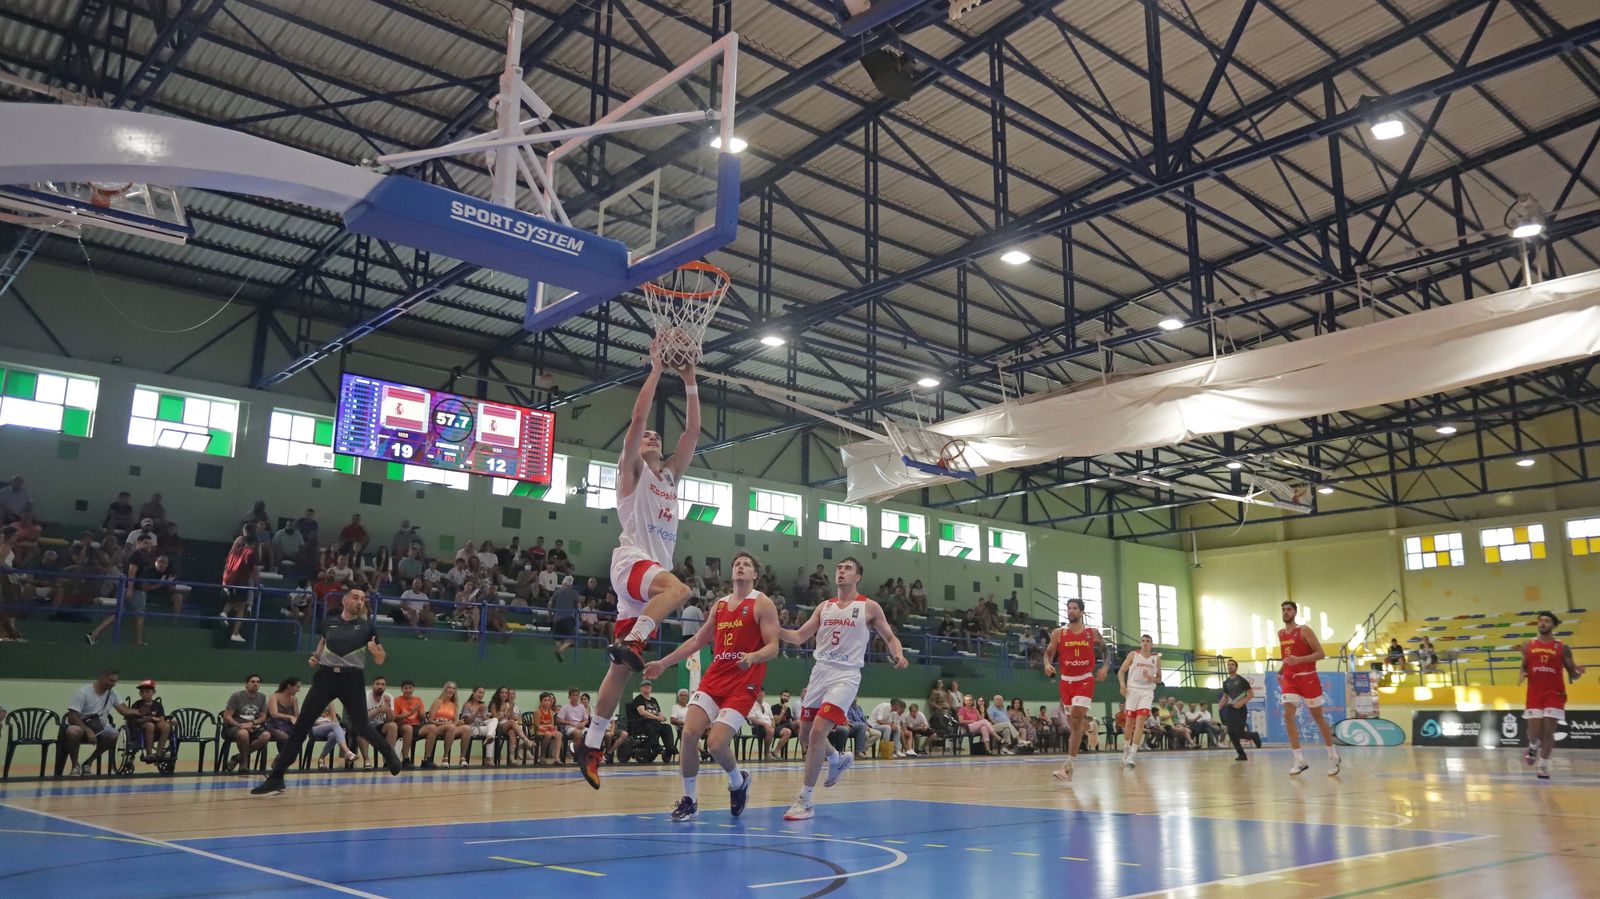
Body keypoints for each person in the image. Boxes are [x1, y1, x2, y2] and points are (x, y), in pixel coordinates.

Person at [575, 341, 700, 789]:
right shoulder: (632, 473)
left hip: (645, 585)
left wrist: (688, 382)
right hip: (633, 563)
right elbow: (638, 419)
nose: (653, 437)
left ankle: (589, 744)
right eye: (649, 437)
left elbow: (691, 436)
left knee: (620, 670)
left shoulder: (669, 476)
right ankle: (634, 640)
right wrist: (656, 369)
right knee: (681, 591)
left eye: (656, 439)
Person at [645, 551, 778, 821]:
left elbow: (774, 647)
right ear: (732, 573)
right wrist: (663, 663)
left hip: (743, 683)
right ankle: (690, 800)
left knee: (716, 744)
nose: (741, 567)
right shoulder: (719, 606)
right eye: (737, 564)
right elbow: (696, 642)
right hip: (715, 678)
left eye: (747, 565)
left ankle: (738, 782)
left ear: (755, 575)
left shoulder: (762, 603)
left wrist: (753, 657)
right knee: (690, 733)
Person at [779, 557, 907, 821]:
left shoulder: (869, 606)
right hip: (820, 672)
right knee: (804, 735)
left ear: (857, 577)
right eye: (838, 568)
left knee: (816, 732)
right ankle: (837, 759)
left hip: (846, 675)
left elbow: (890, 637)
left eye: (847, 568)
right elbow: (799, 636)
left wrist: (898, 654)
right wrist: (773, 628)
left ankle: (805, 800)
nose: (841, 571)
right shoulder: (824, 607)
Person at [250, 589, 402, 795]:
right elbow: (321, 645)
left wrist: (378, 654)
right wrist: (315, 657)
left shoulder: (367, 627)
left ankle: (389, 754)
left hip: (352, 678)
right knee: (301, 726)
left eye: (363, 599)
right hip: (326, 678)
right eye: (356, 597)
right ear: (345, 600)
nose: (360, 602)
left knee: (361, 726)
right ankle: (277, 777)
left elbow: (380, 658)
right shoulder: (328, 623)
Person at [1042, 597, 1111, 781]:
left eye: (1074, 608)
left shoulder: (1092, 633)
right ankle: (1091, 727)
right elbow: (1048, 653)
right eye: (1069, 608)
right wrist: (1046, 664)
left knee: (1076, 718)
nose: (1070, 611)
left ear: (1081, 612)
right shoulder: (1059, 633)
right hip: (1066, 681)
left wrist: (1104, 667)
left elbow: (1105, 650)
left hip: (1085, 680)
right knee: (1075, 724)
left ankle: (1068, 767)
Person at [1520, 611, 1586, 779]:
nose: (1542, 623)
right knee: (1534, 731)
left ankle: (1543, 765)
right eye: (1540, 621)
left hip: (1555, 694)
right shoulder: (1528, 645)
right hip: (1534, 694)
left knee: (1549, 731)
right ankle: (1533, 746)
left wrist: (1578, 672)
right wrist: (1522, 673)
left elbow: (1572, 674)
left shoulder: (1562, 647)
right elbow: (1525, 665)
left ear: (1554, 625)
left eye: (1547, 621)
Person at [1278, 600, 1340, 776]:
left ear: (1295, 612)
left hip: (1308, 679)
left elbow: (1320, 653)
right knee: (1287, 715)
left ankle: (1333, 756)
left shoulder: (1304, 630)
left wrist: (1298, 660)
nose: (1285, 612)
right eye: (1283, 610)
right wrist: (1281, 671)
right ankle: (1299, 759)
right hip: (1290, 680)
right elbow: (1287, 657)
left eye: (1288, 609)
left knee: (1318, 718)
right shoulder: (1281, 633)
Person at [86, 531, 159, 647]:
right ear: (138, 543)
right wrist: (130, 590)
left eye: (150, 544)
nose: (148, 546)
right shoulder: (137, 555)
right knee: (139, 615)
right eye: (145, 543)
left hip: (133, 588)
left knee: (117, 613)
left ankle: (94, 634)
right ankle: (138, 641)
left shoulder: (141, 556)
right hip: (135, 590)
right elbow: (131, 573)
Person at [61, 669, 133, 776]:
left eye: (115, 681)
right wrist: (88, 730)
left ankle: (88, 763)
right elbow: (72, 717)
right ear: (102, 678)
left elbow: (125, 711)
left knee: (115, 735)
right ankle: (75, 765)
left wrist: (140, 712)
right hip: (81, 726)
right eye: (111, 681)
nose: (113, 684)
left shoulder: (112, 694)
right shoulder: (83, 693)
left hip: (101, 728)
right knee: (73, 731)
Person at [1117, 634, 1161, 767]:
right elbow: (1121, 672)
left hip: (1147, 692)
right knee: (1129, 723)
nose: (1145, 643)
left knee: (1140, 722)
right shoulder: (1133, 655)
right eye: (1143, 641)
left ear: (1151, 644)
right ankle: (1126, 747)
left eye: (1148, 641)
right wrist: (1122, 685)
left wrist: (1152, 679)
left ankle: (1132, 755)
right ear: (1140, 643)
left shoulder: (1156, 658)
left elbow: (1159, 678)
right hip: (1132, 690)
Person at [221, 674, 272, 773]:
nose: (255, 684)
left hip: (252, 726)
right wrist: (240, 726)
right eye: (252, 682)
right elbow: (227, 717)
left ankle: (237, 758)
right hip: (234, 726)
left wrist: (252, 723)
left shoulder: (262, 697)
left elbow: (263, 716)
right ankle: (244, 762)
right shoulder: (237, 696)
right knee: (243, 733)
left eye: (258, 682)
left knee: (266, 735)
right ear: (246, 684)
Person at [220, 524, 261, 644]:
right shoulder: (251, 553)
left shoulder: (236, 550)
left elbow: (228, 563)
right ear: (254, 543)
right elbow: (255, 570)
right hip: (240, 581)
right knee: (241, 607)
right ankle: (235, 633)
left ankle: (224, 613)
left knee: (233, 601)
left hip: (229, 579)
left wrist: (224, 581)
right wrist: (258, 585)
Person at [418, 682, 469, 768]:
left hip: (450, 728)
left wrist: (459, 722)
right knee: (451, 726)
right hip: (438, 727)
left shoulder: (454, 705)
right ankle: (445, 757)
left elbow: (455, 721)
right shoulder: (438, 702)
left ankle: (462, 758)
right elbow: (430, 720)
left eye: (453, 688)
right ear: (445, 689)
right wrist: (446, 723)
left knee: (467, 728)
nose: (451, 690)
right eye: (449, 688)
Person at [1218, 659, 1260, 761]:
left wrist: (1241, 702)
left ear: (1236, 667)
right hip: (1231, 709)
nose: (1230, 666)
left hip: (1241, 709)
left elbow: (1250, 694)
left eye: (1232, 665)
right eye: (1228, 665)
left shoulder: (1241, 680)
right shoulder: (1226, 682)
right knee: (1230, 732)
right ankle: (1241, 754)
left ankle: (1254, 735)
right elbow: (1226, 696)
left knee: (1239, 733)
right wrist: (1221, 702)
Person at [625, 682, 675, 763]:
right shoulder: (639, 699)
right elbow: (642, 713)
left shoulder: (653, 700)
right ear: (641, 688)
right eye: (645, 686)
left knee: (667, 727)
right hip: (642, 723)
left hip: (654, 723)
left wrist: (661, 717)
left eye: (649, 686)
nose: (647, 687)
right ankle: (655, 746)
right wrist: (656, 717)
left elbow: (659, 712)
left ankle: (669, 748)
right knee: (649, 726)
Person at [359, 676, 398, 769]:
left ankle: (388, 759)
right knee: (360, 729)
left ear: (385, 687)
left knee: (392, 726)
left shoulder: (388, 697)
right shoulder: (364, 696)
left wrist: (387, 707)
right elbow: (361, 719)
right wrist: (378, 710)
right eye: (377, 684)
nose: (380, 686)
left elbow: (390, 719)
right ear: (372, 685)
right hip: (365, 725)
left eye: (382, 684)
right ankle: (367, 761)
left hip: (379, 725)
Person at [392, 680, 424, 766]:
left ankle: (427, 759)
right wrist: (411, 712)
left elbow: (423, 718)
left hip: (416, 726)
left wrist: (420, 711)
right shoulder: (397, 700)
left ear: (414, 689)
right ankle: (406, 759)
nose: (408, 690)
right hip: (402, 726)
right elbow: (395, 717)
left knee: (432, 729)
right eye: (406, 688)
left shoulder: (418, 700)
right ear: (402, 689)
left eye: (410, 688)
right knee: (409, 728)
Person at [550, 575, 580, 661]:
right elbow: (578, 606)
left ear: (563, 582)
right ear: (571, 584)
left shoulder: (557, 592)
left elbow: (550, 604)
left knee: (558, 638)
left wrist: (551, 615)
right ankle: (561, 650)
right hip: (568, 618)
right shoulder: (574, 593)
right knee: (572, 638)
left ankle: (560, 655)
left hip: (557, 618)